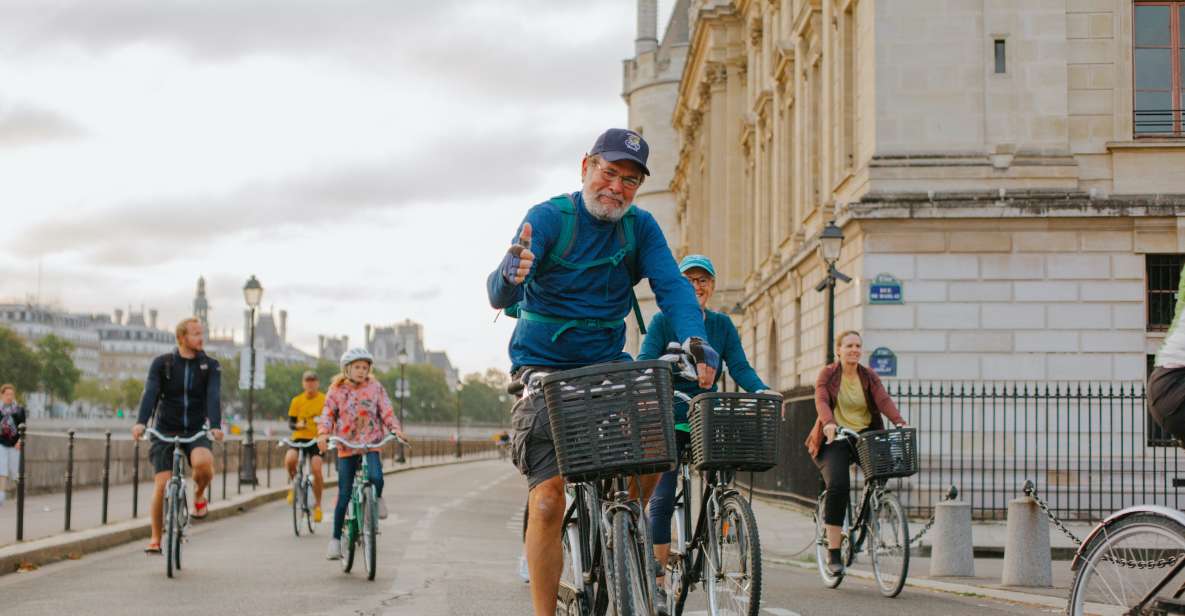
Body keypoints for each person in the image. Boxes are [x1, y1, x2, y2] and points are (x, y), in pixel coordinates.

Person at [487, 128, 719, 616]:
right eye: (609, 173)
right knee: (549, 500)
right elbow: (500, 292)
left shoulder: (640, 227)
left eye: (630, 180)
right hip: (542, 370)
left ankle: (622, 520)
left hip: (607, 366)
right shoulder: (548, 218)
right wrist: (510, 274)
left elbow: (673, 287)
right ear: (586, 166)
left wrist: (696, 339)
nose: (617, 187)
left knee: (659, 447)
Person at [637, 254, 778, 605]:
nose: (697, 286)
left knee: (722, 477)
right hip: (670, 416)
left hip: (707, 417)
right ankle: (657, 573)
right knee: (664, 496)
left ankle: (722, 521)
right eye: (689, 280)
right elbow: (645, 364)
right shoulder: (662, 322)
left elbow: (740, 367)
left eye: (703, 280)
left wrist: (760, 391)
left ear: (712, 286)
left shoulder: (721, 325)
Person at [807, 330, 907, 575]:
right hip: (835, 437)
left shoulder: (868, 375)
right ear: (838, 350)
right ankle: (833, 550)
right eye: (849, 345)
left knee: (881, 474)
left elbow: (882, 400)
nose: (854, 349)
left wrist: (899, 421)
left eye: (858, 346)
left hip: (864, 436)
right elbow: (821, 400)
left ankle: (867, 521)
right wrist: (828, 422)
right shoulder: (828, 374)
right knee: (839, 486)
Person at [132, 317, 225, 554]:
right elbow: (150, 393)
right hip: (165, 428)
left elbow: (213, 396)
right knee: (162, 485)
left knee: (203, 465)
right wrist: (141, 423)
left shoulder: (210, 366)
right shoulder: (163, 364)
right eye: (195, 334)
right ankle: (155, 538)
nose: (201, 338)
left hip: (196, 428)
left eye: (201, 333)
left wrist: (215, 425)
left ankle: (199, 495)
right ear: (182, 337)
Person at [317, 348, 404, 560]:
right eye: (357, 367)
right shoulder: (336, 390)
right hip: (346, 446)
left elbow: (386, 410)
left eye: (365, 367)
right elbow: (327, 414)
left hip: (371, 443)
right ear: (347, 369)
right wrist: (323, 434)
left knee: (376, 477)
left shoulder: (375, 388)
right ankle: (336, 540)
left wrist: (395, 428)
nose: (361, 371)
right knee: (344, 494)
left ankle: (377, 497)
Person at [286, 370, 326, 523]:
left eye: (313, 381)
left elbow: (330, 420)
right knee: (290, 460)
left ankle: (318, 506)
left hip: (316, 439)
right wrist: (298, 425)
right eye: (307, 381)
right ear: (303, 383)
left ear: (317, 383)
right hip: (299, 438)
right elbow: (290, 423)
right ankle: (294, 486)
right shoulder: (297, 400)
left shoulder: (324, 399)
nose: (310, 384)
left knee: (316, 468)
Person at [0, 384, 27, 506]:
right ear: (2, 395)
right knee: (2, 470)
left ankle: (20, 495)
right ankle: (1, 496)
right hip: (1, 444)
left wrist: (19, 441)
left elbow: (23, 428)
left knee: (16, 472)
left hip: (15, 445)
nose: (9, 397)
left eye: (11, 394)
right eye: (7, 394)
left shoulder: (19, 410)